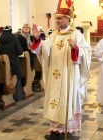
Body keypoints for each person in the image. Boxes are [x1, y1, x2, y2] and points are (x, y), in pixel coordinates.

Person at [30, 0, 91, 139]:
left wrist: (75, 48)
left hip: (69, 76)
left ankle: (67, 132)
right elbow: (43, 51)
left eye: (59, 18)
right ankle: (55, 131)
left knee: (66, 100)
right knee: (54, 100)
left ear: (67, 19)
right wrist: (37, 38)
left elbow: (86, 53)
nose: (56, 20)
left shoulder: (76, 34)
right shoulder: (53, 35)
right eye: (56, 18)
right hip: (54, 76)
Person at [0, 26, 23, 101]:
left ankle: (5, 94)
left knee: (5, 77)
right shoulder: (14, 39)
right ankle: (17, 96)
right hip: (13, 61)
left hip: (3, 62)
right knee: (16, 76)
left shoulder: (0, 39)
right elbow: (20, 52)